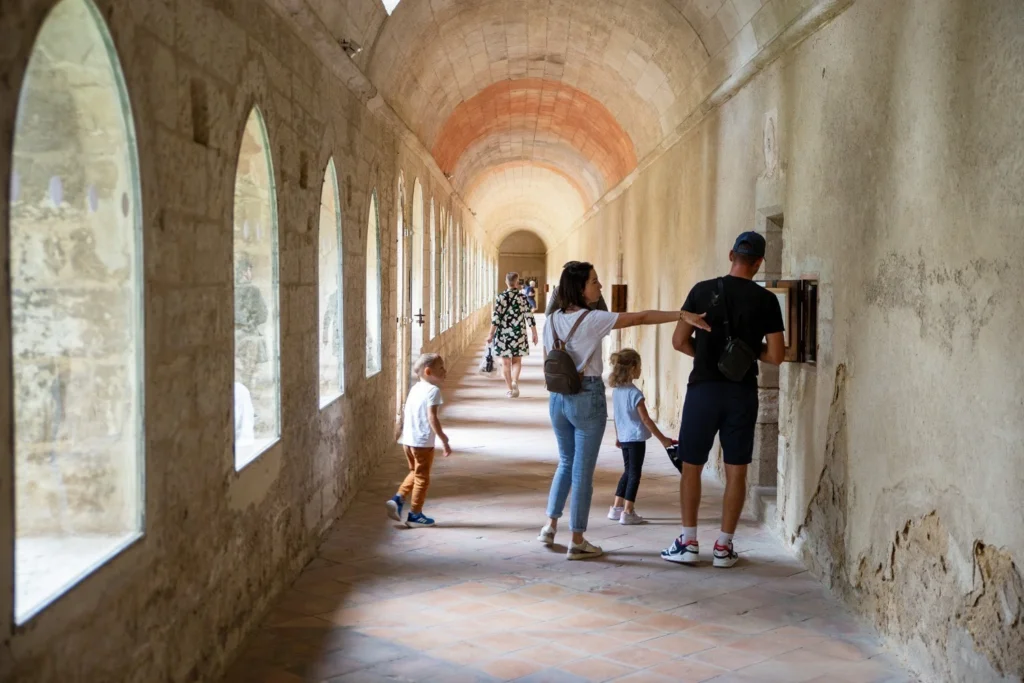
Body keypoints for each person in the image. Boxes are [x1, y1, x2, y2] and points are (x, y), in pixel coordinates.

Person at [537, 261, 711, 560]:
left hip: (557, 399)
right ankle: (577, 539)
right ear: (580, 288)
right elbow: (640, 317)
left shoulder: (551, 320)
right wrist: (681, 315)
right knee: (582, 472)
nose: (600, 286)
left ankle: (550, 526)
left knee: (565, 462)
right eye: (594, 281)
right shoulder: (592, 319)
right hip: (585, 396)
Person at [662, 231, 785, 568]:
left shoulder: (702, 291)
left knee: (692, 466)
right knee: (737, 470)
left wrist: (705, 354)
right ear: (758, 263)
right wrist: (745, 353)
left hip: (703, 390)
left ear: (732, 255)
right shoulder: (767, 302)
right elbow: (776, 355)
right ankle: (723, 547)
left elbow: (677, 341)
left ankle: (688, 542)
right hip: (741, 392)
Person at [606, 348, 677, 525]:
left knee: (628, 471)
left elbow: (617, 416)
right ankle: (628, 511)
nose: (640, 371)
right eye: (639, 367)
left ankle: (616, 508)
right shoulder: (635, 393)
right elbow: (645, 419)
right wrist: (663, 440)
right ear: (633, 368)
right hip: (636, 438)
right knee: (634, 474)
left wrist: (617, 436)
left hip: (624, 436)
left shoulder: (617, 392)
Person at [386, 353, 453, 528]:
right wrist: (443, 439)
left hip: (408, 440)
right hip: (422, 442)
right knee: (423, 478)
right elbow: (432, 418)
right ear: (429, 371)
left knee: (415, 472)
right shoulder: (434, 391)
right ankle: (415, 513)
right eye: (441, 368)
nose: (444, 371)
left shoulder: (415, 388)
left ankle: (398, 498)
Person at [487, 272, 538, 398]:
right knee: (516, 361)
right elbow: (529, 316)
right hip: (518, 333)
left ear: (506, 282)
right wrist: (534, 332)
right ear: (517, 283)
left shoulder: (501, 297)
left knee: (505, 363)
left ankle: (510, 389)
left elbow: (496, 318)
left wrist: (490, 334)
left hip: (503, 334)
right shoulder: (522, 298)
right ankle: (515, 381)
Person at [234, 253, 269, 388]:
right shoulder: (253, 290)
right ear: (244, 271)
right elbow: (263, 314)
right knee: (249, 373)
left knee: (239, 371)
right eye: (249, 269)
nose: (251, 272)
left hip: (236, 337)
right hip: (249, 337)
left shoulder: (232, 290)